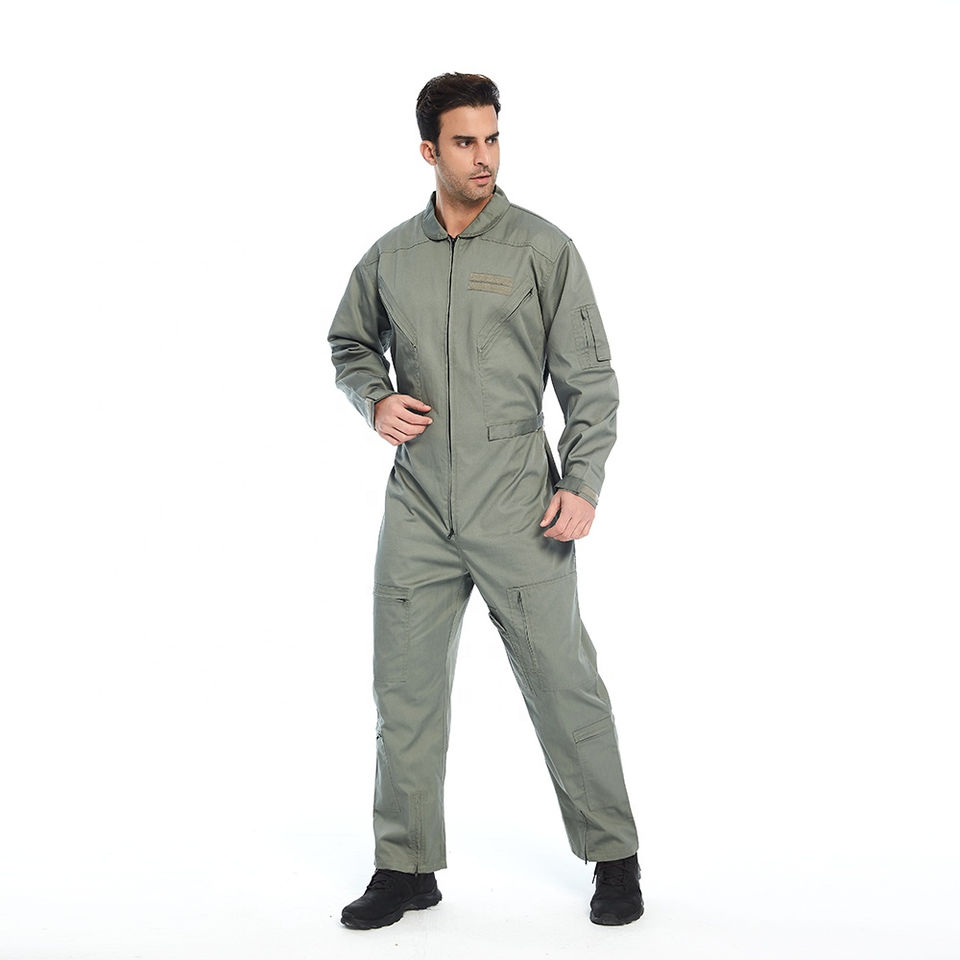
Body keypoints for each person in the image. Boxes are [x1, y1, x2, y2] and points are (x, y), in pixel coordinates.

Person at [328, 72, 643, 929]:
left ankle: (615, 857)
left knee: (565, 686)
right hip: (420, 506)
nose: (484, 157)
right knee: (404, 695)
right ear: (428, 150)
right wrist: (374, 398)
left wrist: (581, 481)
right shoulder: (390, 256)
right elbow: (349, 341)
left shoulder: (543, 249)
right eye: (465, 142)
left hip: (519, 505)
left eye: (493, 138)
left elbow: (592, 382)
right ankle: (405, 868)